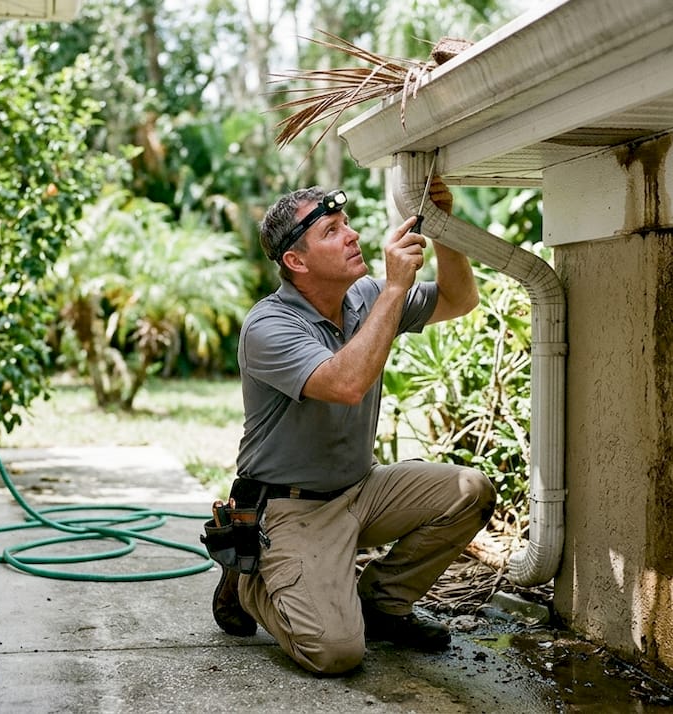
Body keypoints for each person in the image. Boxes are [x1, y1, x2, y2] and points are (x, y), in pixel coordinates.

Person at [212, 179, 497, 675]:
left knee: (469, 491)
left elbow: (459, 299)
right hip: (290, 508)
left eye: (346, 224)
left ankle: (383, 603)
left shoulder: (364, 296)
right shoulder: (268, 326)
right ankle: (249, 577)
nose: (353, 236)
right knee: (336, 653)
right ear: (296, 262)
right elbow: (346, 383)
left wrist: (445, 230)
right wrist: (394, 288)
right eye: (331, 231)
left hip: (361, 488)